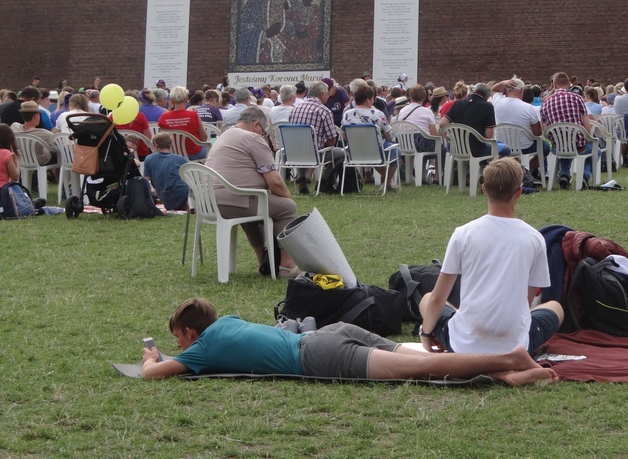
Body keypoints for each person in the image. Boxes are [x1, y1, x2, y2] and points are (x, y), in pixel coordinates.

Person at [140, 297, 559, 386]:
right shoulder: (226, 321)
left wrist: (151, 356)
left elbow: (154, 374)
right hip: (330, 332)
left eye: (179, 339)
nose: (181, 346)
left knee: (423, 369)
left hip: (321, 354)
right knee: (415, 359)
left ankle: (510, 357)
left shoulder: (203, 348)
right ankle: (509, 373)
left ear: (190, 334)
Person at [419, 158, 564, 357]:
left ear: (484, 189)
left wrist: (426, 333)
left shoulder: (463, 234)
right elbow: (526, 302)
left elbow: (437, 299)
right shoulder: (534, 238)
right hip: (515, 346)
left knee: (427, 299)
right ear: (519, 193)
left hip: (463, 344)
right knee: (555, 307)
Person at [206, 107, 300, 278]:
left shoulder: (225, 135)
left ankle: (261, 260)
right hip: (235, 201)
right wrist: (288, 196)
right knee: (287, 207)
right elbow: (275, 182)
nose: (264, 136)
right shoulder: (252, 138)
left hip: (211, 202)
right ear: (257, 125)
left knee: (252, 212)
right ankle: (287, 264)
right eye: (264, 132)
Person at [540, 72, 596, 189]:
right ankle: (584, 177)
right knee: (597, 150)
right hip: (579, 146)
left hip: (558, 147)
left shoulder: (546, 103)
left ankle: (564, 174)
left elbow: (545, 131)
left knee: (566, 145)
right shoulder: (577, 98)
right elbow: (587, 127)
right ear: (569, 84)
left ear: (554, 85)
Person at [288, 81, 344, 194]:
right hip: (315, 154)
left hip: (294, 152)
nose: (329, 96)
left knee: (302, 145)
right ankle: (324, 182)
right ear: (322, 94)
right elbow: (332, 140)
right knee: (344, 154)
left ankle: (303, 178)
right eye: (327, 93)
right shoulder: (324, 111)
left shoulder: (294, 109)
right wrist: (323, 145)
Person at [342, 84, 400, 191]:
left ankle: (388, 182)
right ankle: (388, 181)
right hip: (375, 151)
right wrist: (389, 140)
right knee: (395, 149)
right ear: (368, 99)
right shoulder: (377, 114)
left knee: (375, 150)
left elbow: (344, 136)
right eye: (373, 98)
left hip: (354, 152)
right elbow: (389, 135)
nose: (374, 101)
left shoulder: (346, 114)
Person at [441, 82, 511, 158]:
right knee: (506, 149)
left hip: (457, 148)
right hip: (477, 150)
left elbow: (442, 123)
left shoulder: (458, 103)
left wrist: (455, 133)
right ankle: (489, 168)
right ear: (487, 97)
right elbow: (488, 136)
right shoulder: (488, 107)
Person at [158, 86, 208, 161]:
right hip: (194, 153)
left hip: (172, 154)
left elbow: (162, 140)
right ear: (186, 99)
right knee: (208, 147)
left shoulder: (163, 117)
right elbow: (204, 138)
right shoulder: (193, 115)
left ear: (172, 100)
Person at [142, 132, 189, 210]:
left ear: (155, 144)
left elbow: (146, 180)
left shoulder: (149, 159)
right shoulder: (180, 159)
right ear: (170, 145)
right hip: (183, 193)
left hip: (166, 198)